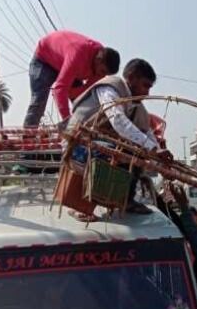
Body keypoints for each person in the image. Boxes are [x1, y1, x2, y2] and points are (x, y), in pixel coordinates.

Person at [66, 58, 173, 214]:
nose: (147, 93)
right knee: (132, 152)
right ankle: (86, 204)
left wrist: (160, 158)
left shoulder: (138, 109)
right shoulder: (109, 88)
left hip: (99, 148)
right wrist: (151, 149)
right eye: (145, 85)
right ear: (131, 78)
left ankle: (125, 200)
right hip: (77, 148)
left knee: (137, 152)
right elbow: (118, 120)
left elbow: (147, 134)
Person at [24, 30, 120, 127]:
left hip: (67, 65)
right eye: (103, 71)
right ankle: (27, 136)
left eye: (106, 74)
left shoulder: (100, 66)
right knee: (39, 102)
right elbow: (60, 89)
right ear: (98, 60)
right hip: (45, 60)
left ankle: (78, 129)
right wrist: (67, 121)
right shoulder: (78, 54)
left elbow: (85, 92)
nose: (102, 76)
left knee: (83, 103)